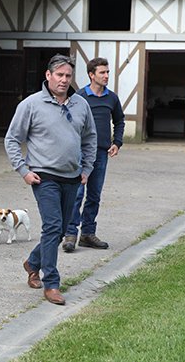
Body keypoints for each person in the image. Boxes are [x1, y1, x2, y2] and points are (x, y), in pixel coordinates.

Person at [4, 54, 97, 305]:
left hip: (73, 177)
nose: (64, 80)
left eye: (68, 76)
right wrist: (23, 170)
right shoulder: (31, 104)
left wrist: (87, 168)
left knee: (61, 229)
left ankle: (32, 262)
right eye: (59, 75)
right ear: (48, 75)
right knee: (53, 227)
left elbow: (90, 138)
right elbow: (12, 139)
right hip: (43, 177)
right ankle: (52, 283)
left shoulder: (81, 105)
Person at [62, 57, 125, 252]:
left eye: (107, 72)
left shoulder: (112, 98)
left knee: (94, 195)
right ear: (91, 75)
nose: (106, 76)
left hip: (101, 153)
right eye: (102, 72)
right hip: (79, 153)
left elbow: (119, 121)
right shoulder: (79, 97)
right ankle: (70, 234)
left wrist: (117, 142)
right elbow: (66, 122)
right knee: (77, 194)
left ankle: (88, 234)